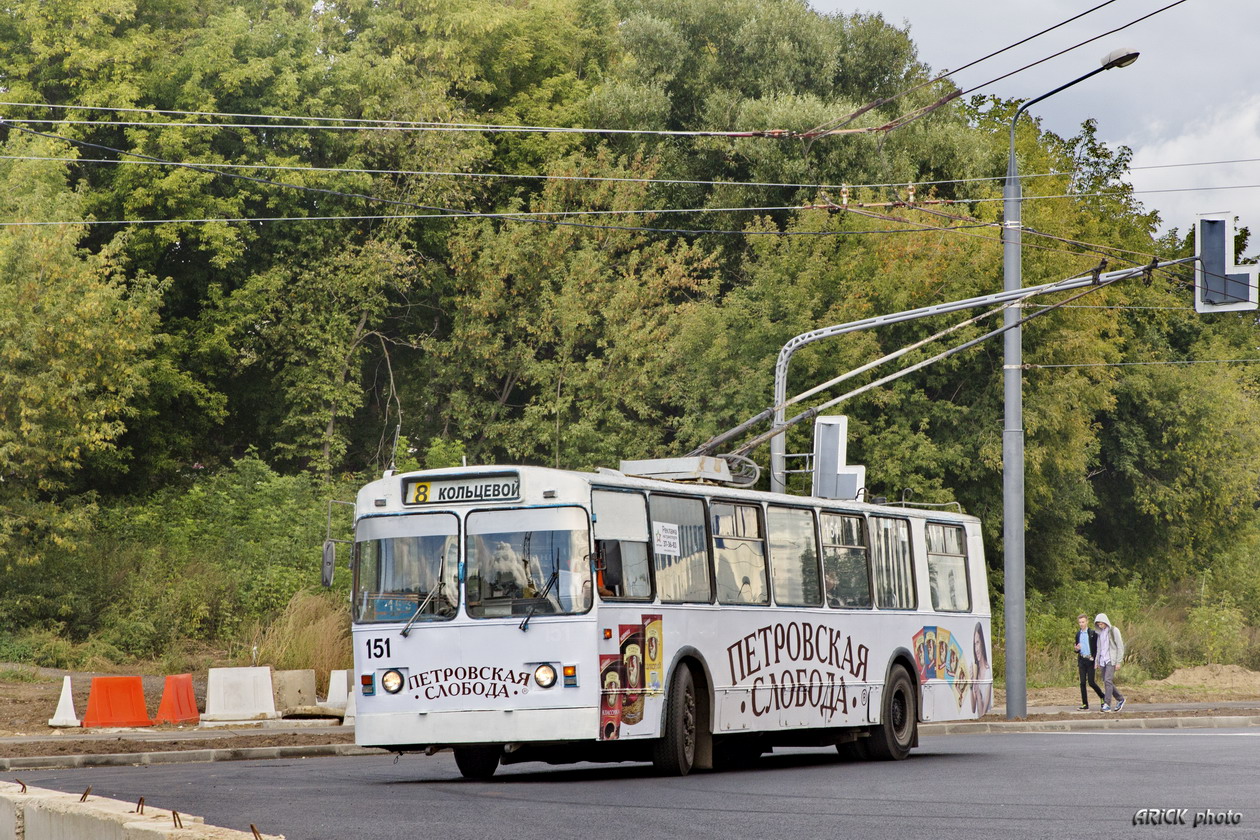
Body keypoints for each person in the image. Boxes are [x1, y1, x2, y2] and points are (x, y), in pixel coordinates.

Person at [1094, 613, 1126, 712]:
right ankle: (1120, 699)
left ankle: (1107, 704)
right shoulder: (1100, 633)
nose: (1100, 626)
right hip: (1103, 660)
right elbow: (1099, 648)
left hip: (1111, 660)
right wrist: (1097, 661)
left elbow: (1120, 646)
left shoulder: (1114, 631)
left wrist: (1118, 661)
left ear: (1105, 622)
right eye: (1098, 624)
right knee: (1107, 681)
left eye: (1101, 623)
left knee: (1108, 680)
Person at [1073, 613, 1105, 710]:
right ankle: (1085, 704)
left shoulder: (1092, 633)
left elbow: (1097, 647)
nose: (1081, 624)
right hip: (1082, 660)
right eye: (1080, 622)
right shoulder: (1078, 634)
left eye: (1083, 622)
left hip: (1090, 660)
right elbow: (1077, 648)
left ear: (1087, 622)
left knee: (1091, 682)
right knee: (1082, 682)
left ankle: (1102, 696)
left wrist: (1096, 660)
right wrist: (1076, 649)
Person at [970, 622, 992, 715]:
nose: (976, 649)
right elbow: (973, 709)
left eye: (978, 643)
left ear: (982, 643)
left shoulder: (988, 673)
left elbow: (983, 713)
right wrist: (971, 684)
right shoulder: (976, 671)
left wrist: (978, 695)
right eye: (975, 644)